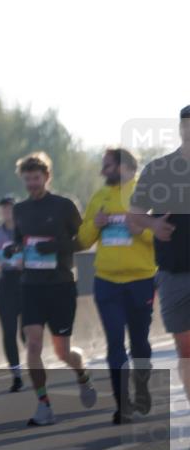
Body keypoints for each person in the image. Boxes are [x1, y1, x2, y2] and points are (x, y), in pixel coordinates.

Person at [2, 152, 96, 427]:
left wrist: (55, 246)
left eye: (36, 178)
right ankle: (44, 405)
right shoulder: (20, 210)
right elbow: (21, 241)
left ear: (47, 177)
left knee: (62, 352)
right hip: (30, 286)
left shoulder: (64, 206)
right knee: (32, 344)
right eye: (27, 179)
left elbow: (83, 242)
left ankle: (82, 375)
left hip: (61, 285)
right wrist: (14, 248)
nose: (32, 183)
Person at [78, 149, 156, 424]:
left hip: (141, 280)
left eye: (108, 166)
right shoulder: (99, 198)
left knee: (139, 344)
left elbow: (164, 233)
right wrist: (95, 225)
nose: (103, 171)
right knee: (114, 344)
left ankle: (142, 388)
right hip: (107, 282)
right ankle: (122, 404)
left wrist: (141, 229)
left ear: (127, 167)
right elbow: (83, 240)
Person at [129, 105, 190, 407]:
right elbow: (134, 215)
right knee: (186, 349)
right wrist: (153, 224)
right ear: (181, 129)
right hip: (173, 272)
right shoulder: (159, 170)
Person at [0, 195, 27, 393]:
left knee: (26, 331)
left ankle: (34, 361)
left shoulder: (26, 230)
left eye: (10, 208)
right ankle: (16, 375)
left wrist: (25, 262)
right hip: (7, 283)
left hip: (27, 282)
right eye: (3, 209)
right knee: (8, 332)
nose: (6, 212)